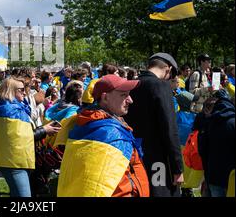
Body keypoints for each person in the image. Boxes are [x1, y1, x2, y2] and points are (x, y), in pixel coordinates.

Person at [58, 74, 149, 197]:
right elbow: (115, 187)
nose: (130, 100)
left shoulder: (88, 123)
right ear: (105, 98)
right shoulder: (108, 132)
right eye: (124, 95)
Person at [124, 53, 184, 197]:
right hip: (158, 158)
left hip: (134, 155)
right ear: (168, 70)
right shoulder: (161, 86)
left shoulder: (132, 84)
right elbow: (170, 128)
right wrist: (178, 168)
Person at [0, 78, 60, 197]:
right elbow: (21, 137)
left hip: (11, 159)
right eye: (21, 90)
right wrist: (45, 130)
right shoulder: (9, 110)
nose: (25, 93)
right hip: (14, 161)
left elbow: (22, 133)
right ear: (10, 91)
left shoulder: (8, 107)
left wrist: (44, 128)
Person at [197, 90, 235, 197]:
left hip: (213, 174)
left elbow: (202, 150)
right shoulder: (233, 122)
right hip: (231, 176)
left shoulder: (208, 122)